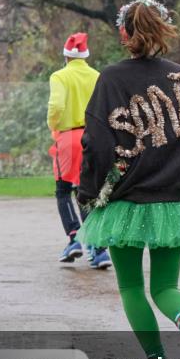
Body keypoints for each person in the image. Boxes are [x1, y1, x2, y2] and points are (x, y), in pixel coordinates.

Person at [77, 0, 180, 359]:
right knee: (165, 287)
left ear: (124, 35)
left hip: (126, 200)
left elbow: (97, 144)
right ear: (162, 30)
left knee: (131, 287)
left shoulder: (111, 79)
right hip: (176, 199)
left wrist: (89, 192)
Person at [47, 32, 110, 269]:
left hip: (69, 137)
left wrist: (53, 125)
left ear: (66, 56)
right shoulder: (97, 76)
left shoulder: (59, 76)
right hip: (95, 137)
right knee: (88, 191)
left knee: (64, 190)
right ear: (85, 56)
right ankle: (98, 249)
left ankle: (74, 238)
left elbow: (56, 105)